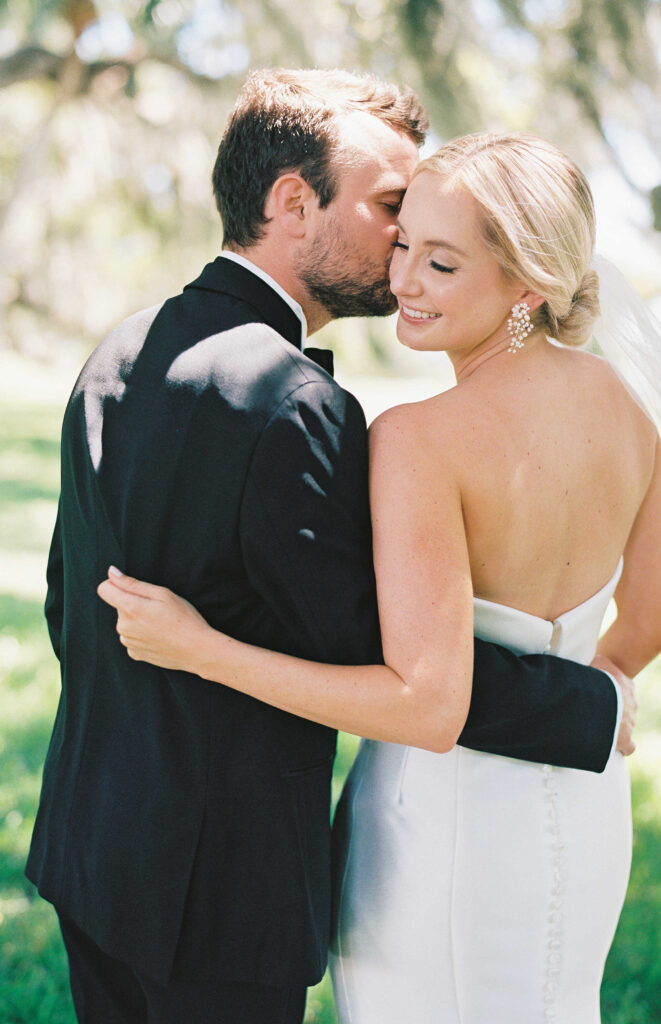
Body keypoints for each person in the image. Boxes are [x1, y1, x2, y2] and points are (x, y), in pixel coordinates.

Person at [28, 66, 630, 1022]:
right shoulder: (295, 401)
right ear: (292, 201)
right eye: (391, 204)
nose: (405, 235)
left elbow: (72, 601)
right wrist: (586, 706)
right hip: (219, 894)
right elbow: (376, 648)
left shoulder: (123, 345)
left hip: (93, 846)